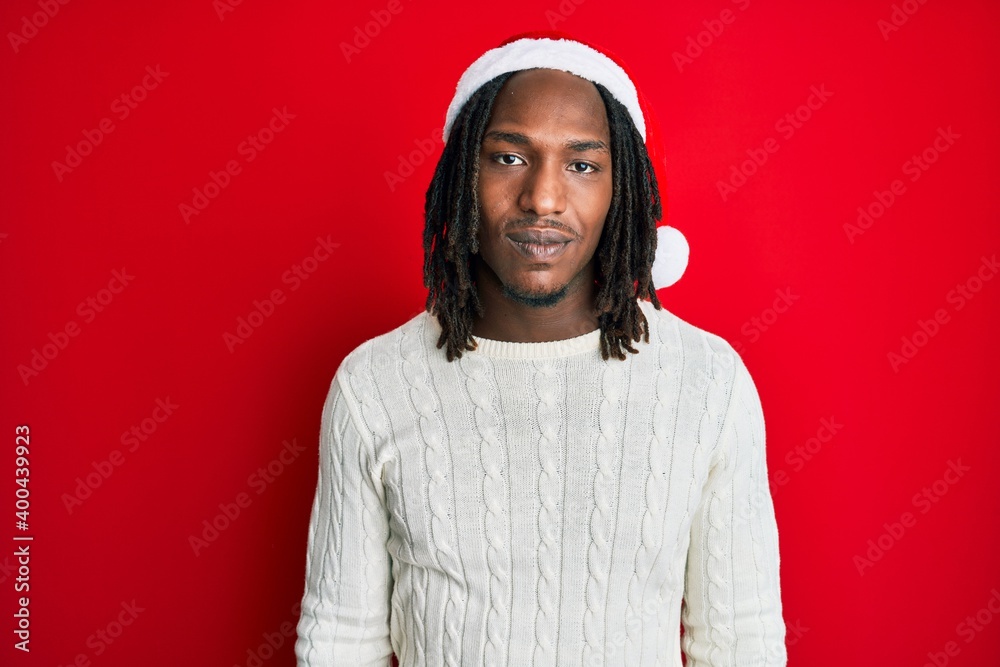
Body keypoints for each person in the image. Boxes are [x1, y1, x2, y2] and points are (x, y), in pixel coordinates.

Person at [295, 31, 787, 666]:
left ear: (621, 190)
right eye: (508, 158)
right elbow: (339, 644)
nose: (544, 199)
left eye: (582, 165)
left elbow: (740, 645)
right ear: (461, 176)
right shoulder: (373, 385)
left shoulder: (708, 383)